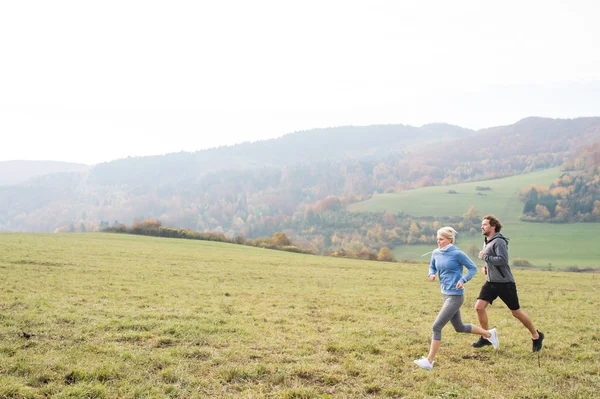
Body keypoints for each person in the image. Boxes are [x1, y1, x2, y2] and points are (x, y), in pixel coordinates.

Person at [414, 227, 499, 370]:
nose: (438, 242)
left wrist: (463, 280)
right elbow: (432, 267)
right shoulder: (436, 253)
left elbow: (472, 268)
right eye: (437, 239)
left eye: (441, 239)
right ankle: (489, 334)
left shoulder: (457, 254)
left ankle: (429, 361)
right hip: (445, 294)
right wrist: (431, 274)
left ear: (450, 240)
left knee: (436, 326)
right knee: (459, 327)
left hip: (455, 296)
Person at [472, 214, 544, 352]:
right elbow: (493, 260)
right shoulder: (487, 240)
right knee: (479, 307)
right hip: (491, 282)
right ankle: (486, 337)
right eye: (482, 225)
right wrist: (487, 267)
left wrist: (485, 257)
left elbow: (502, 260)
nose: (482, 227)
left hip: (505, 283)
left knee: (516, 313)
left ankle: (536, 336)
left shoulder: (499, 241)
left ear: (493, 226)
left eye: (485, 224)